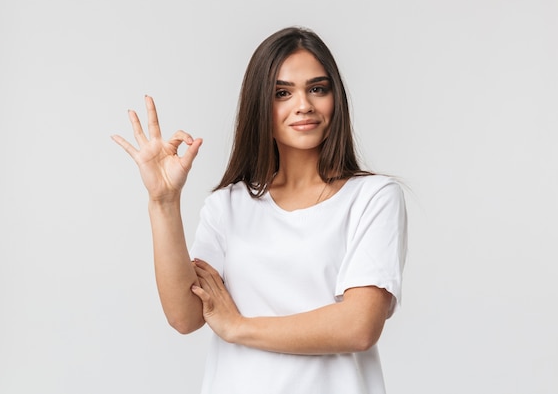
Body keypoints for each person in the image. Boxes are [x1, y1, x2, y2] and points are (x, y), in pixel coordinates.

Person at [112, 26, 408, 394]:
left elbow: (359, 326)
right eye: (282, 93)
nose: (304, 104)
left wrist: (238, 327)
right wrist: (164, 201)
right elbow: (185, 316)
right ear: (260, 106)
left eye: (318, 88)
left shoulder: (373, 197)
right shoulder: (228, 206)